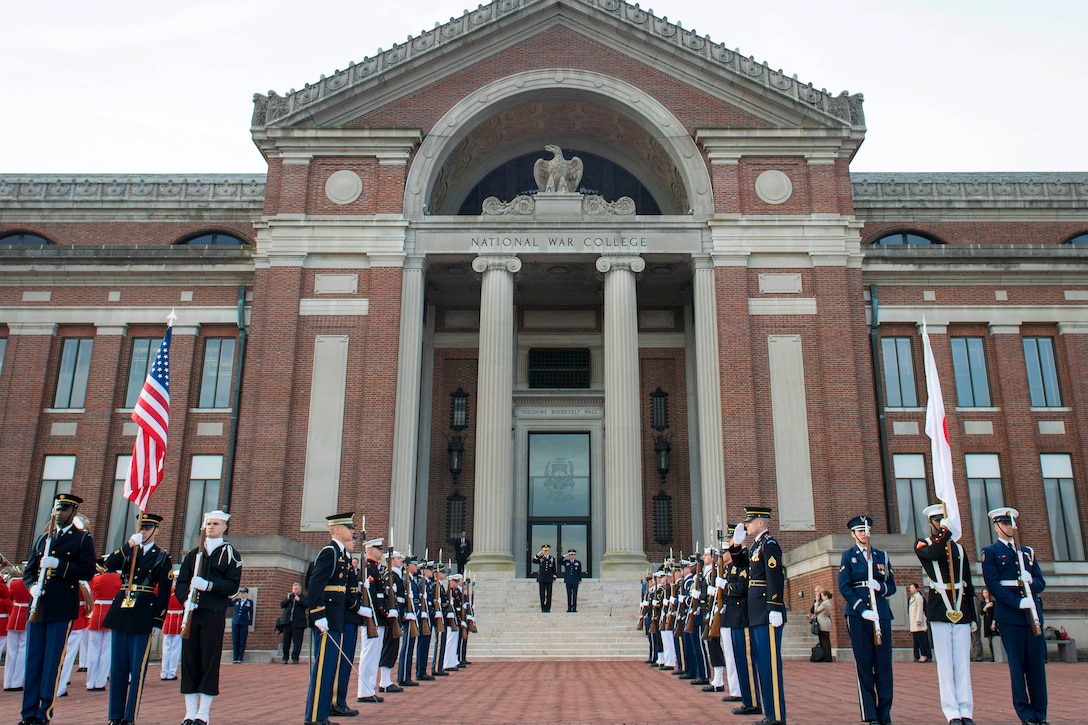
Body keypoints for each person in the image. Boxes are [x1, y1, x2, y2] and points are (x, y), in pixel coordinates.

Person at [21, 492, 96, 725]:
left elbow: (87, 571)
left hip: (61, 607)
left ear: (73, 512)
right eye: (57, 509)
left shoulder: (82, 539)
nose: (58, 513)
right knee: (32, 661)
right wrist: (32, 587)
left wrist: (60, 565)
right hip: (39, 606)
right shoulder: (44, 539)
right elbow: (28, 572)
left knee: (52, 660)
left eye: (63, 509)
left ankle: (44, 711)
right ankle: (28, 712)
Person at [103, 512, 173, 725]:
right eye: (141, 528)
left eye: (147, 528)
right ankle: (115, 715)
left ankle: (129, 716)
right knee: (118, 667)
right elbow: (109, 565)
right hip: (122, 611)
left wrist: (158, 621)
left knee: (137, 668)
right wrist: (128, 545)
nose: (142, 532)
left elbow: (164, 593)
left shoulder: (162, 557)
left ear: (156, 531)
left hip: (143, 611)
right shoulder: (128, 551)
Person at [175, 509, 242, 725]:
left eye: (215, 524)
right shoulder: (193, 554)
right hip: (193, 612)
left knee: (209, 661)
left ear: (224, 527)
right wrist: (186, 600)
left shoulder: (230, 554)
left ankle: (203, 713)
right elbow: (182, 583)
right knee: (189, 661)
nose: (211, 527)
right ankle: (189, 712)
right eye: (208, 524)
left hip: (213, 613)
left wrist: (209, 586)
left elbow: (232, 586)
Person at [981, 507, 1047, 725]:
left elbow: (1041, 582)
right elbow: (993, 585)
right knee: (1018, 667)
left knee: (1036, 667)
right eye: (1005, 523)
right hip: (1010, 615)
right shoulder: (990, 552)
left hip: (1033, 615)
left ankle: (1040, 712)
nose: (1010, 527)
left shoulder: (1026, 552)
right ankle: (1025, 713)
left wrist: (1031, 582)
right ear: (996, 526)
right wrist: (1018, 602)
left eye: (1012, 524)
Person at [915, 503, 977, 725]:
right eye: (938, 521)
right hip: (940, 609)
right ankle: (951, 711)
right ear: (931, 523)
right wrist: (945, 532)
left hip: (961, 609)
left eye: (944, 520)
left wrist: (973, 619)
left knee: (962, 663)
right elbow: (933, 554)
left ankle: (966, 709)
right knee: (945, 663)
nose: (941, 524)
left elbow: (968, 584)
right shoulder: (924, 543)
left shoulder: (959, 549)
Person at [304, 511, 363, 725]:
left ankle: (322, 714)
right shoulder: (329, 552)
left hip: (336, 617)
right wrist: (318, 614)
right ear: (336, 530)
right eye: (349, 528)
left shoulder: (342, 555)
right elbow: (315, 584)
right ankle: (314, 718)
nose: (352, 531)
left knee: (329, 668)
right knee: (323, 669)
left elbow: (345, 589)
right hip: (326, 617)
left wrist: (357, 608)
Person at [729, 505, 786, 724]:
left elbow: (774, 577)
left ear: (761, 522)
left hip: (765, 610)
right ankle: (770, 714)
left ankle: (776, 716)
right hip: (756, 612)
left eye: (749, 522)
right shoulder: (756, 546)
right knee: (761, 664)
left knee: (770, 665)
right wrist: (737, 544)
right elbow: (741, 564)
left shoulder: (769, 544)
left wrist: (774, 607)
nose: (746, 525)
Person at [838, 514, 896, 725]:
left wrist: (881, 587)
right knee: (864, 664)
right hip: (858, 615)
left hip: (881, 613)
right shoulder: (848, 556)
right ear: (853, 534)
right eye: (860, 531)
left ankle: (885, 713)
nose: (865, 534)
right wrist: (861, 609)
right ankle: (870, 714)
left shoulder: (881, 556)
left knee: (883, 666)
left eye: (867, 530)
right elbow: (844, 586)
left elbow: (892, 586)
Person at [357, 537, 389, 704]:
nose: (381, 552)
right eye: (379, 548)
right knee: (369, 655)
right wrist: (383, 611)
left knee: (374, 655)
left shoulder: (375, 569)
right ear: (369, 550)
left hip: (378, 618)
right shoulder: (368, 569)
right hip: (373, 618)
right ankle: (364, 691)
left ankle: (369, 689)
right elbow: (372, 596)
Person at [86, 565, 121, 691]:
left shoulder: (96, 578)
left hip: (97, 613)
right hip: (111, 612)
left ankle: (90, 682)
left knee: (93, 650)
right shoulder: (119, 578)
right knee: (107, 650)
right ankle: (100, 681)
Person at [397, 556, 421, 687]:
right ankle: (403, 677)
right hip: (408, 617)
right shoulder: (405, 580)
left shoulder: (411, 581)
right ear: (408, 566)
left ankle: (407, 675)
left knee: (410, 646)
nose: (416, 567)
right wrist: (406, 613)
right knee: (406, 647)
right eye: (414, 565)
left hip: (413, 616)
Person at [4, 571, 29, 692]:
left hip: (14, 617)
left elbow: (10, 597)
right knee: (22, 651)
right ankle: (16, 682)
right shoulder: (33, 584)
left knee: (11, 652)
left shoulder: (14, 583)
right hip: (26, 617)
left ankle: (7, 682)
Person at [414, 560, 436, 682]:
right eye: (429, 570)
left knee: (425, 645)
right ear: (423, 571)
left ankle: (422, 669)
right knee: (422, 645)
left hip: (428, 617)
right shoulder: (421, 583)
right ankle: (420, 671)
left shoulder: (427, 584)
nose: (431, 572)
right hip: (423, 618)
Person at [280, 582, 308, 664]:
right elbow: (282, 605)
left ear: (300, 589)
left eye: (296, 589)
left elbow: (307, 605)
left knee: (297, 642)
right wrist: (288, 599)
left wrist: (298, 600)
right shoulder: (289, 597)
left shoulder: (303, 597)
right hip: (288, 622)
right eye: (293, 589)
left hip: (298, 623)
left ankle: (295, 658)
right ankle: (285, 657)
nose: (294, 590)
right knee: (286, 641)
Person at [161, 585, 184, 680]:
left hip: (168, 619)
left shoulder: (167, 591)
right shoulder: (182, 591)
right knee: (175, 649)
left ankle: (164, 672)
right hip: (178, 619)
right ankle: (171, 673)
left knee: (166, 648)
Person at [907, 583, 931, 662]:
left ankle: (924, 655)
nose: (911, 589)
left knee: (921, 639)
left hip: (918, 622)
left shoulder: (919, 597)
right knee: (916, 640)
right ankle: (917, 655)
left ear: (917, 589)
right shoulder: (911, 598)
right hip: (913, 622)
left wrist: (918, 620)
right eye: (910, 588)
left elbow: (920, 609)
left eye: (912, 587)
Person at [230, 587, 253, 663]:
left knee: (242, 640)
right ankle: (235, 657)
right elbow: (228, 602)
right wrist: (236, 595)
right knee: (235, 640)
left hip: (244, 622)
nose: (242, 594)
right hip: (235, 622)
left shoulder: (249, 602)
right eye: (241, 593)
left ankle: (240, 658)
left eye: (243, 593)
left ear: (246, 594)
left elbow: (251, 613)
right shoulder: (237, 601)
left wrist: (250, 623)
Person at [532, 544, 557, 613]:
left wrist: (554, 576)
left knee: (549, 594)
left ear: (549, 551)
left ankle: (548, 608)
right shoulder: (540, 558)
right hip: (542, 578)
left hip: (549, 578)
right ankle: (543, 607)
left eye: (547, 550)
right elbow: (533, 561)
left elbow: (554, 568)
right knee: (542, 594)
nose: (546, 552)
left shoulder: (552, 558)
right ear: (542, 551)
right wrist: (538, 555)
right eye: (544, 550)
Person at [811, 590, 833, 663]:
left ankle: (827, 657)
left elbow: (816, 611)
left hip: (823, 623)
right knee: (825, 641)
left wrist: (817, 602)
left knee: (824, 641)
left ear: (826, 596)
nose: (821, 598)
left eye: (822, 596)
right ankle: (827, 657)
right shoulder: (828, 603)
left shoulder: (825, 604)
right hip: (826, 623)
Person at [561, 548, 583, 613]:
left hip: (575, 580)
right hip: (568, 580)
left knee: (575, 594)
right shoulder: (566, 562)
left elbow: (579, 572)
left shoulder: (578, 562)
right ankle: (569, 608)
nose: (572, 556)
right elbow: (559, 561)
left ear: (575, 555)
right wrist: (565, 556)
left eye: (573, 555)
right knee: (569, 594)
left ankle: (574, 608)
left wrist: (580, 579)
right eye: (570, 555)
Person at [980, 588, 998, 661]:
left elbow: (995, 613)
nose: (985, 594)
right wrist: (986, 607)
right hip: (986, 621)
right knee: (989, 640)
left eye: (986, 592)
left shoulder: (993, 602)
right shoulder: (983, 603)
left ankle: (996, 655)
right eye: (983, 593)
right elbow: (981, 612)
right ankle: (992, 656)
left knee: (994, 639)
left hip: (992, 621)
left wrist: (994, 623)